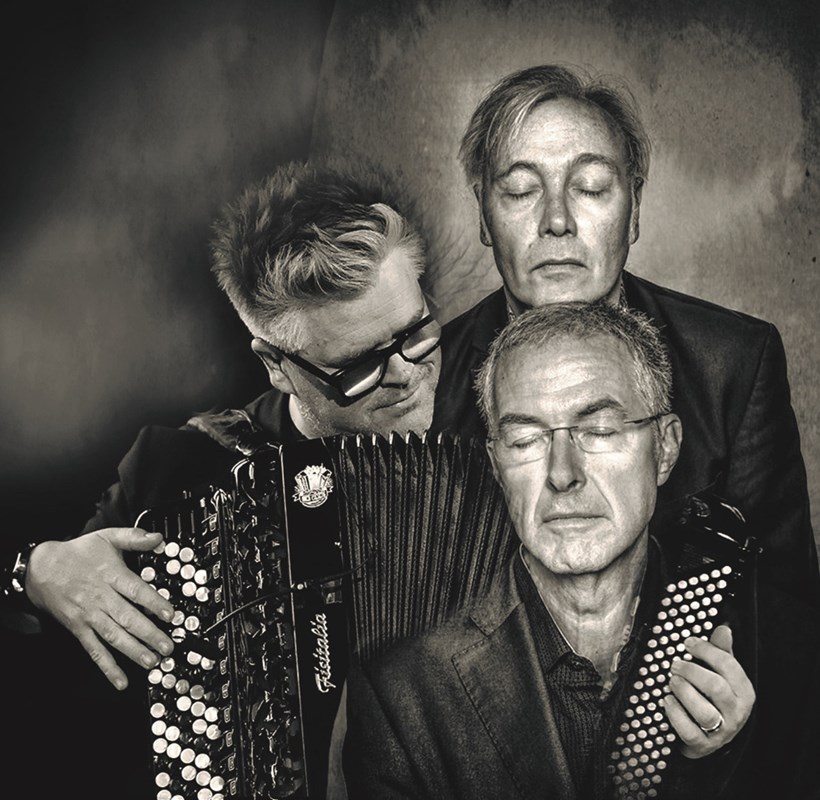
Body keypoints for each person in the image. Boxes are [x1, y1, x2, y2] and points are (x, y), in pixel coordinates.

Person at [345, 302, 820, 800]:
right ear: (497, 466)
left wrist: (718, 770)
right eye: (525, 440)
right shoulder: (399, 699)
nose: (562, 474)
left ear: (665, 448)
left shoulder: (791, 655)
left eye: (599, 431)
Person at [6, 162, 442, 692]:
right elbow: (53, 627)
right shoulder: (176, 472)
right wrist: (36, 571)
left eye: (415, 332)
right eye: (359, 365)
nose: (407, 374)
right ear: (277, 366)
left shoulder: (496, 394)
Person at [432, 64, 818, 606]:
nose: (557, 220)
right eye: (521, 191)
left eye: (590, 187)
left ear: (633, 208)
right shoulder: (427, 377)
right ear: (482, 214)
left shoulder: (735, 361)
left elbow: (784, 597)